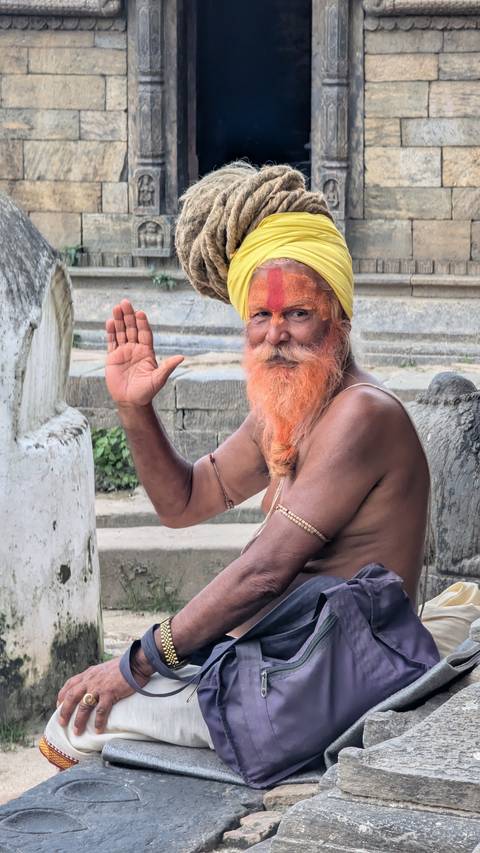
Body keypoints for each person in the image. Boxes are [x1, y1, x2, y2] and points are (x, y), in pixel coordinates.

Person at [39, 163, 443, 770]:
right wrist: (134, 409)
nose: (275, 334)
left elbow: (263, 573)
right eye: (261, 317)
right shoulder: (286, 412)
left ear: (339, 317)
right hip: (272, 663)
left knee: (72, 725)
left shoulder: (363, 414)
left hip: (326, 680)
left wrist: (138, 661)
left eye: (297, 314)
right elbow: (184, 502)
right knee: (89, 711)